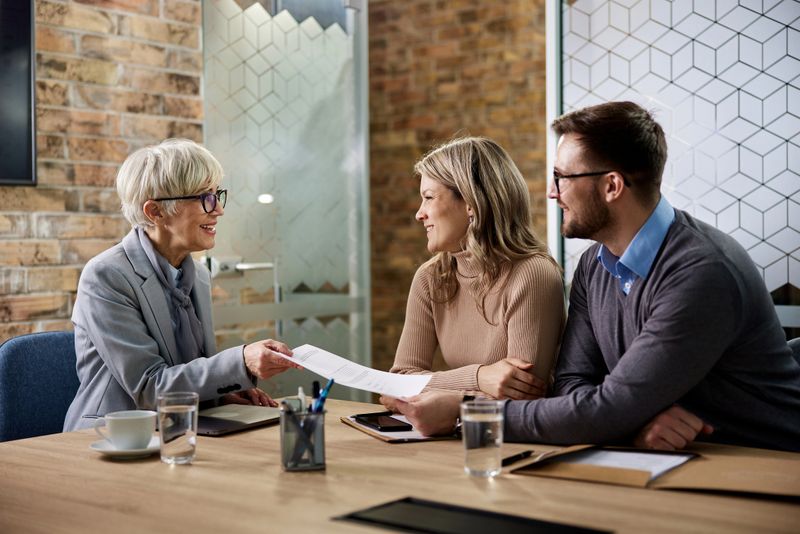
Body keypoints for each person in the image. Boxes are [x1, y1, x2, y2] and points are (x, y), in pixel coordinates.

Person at [391, 102, 800, 452]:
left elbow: (606, 407)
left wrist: (468, 415)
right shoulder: (593, 266)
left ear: (611, 186)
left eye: (563, 179)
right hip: (676, 457)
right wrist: (622, 418)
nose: (553, 194)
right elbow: (575, 383)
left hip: (764, 462)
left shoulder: (700, 272)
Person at [64, 139, 300, 431]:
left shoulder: (197, 275)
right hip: (113, 440)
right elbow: (151, 387)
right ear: (155, 212)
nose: (218, 211)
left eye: (217, 195)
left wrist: (224, 391)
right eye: (204, 198)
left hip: (182, 430)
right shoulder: (105, 277)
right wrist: (240, 362)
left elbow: (185, 372)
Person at [386, 137, 564, 401]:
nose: (419, 214)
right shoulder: (430, 278)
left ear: (470, 202)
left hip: (518, 440)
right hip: (452, 436)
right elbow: (396, 386)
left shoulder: (533, 274)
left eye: (428, 197)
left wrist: (442, 398)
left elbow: (521, 397)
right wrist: (480, 377)